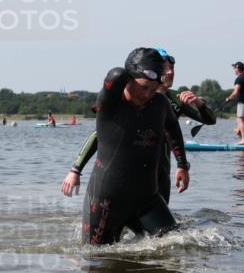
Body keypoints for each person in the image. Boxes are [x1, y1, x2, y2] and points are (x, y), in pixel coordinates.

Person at [62, 47, 209, 204]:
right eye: (166, 67)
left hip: (159, 170)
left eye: (172, 68)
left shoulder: (174, 101)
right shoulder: (125, 100)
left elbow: (206, 120)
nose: (170, 72)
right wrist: (76, 169)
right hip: (125, 170)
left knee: (163, 223)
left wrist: (200, 105)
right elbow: (99, 135)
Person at [72, 48, 188, 245]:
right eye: (143, 87)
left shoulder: (159, 103)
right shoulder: (111, 104)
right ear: (128, 79)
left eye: (153, 89)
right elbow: (114, 75)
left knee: (178, 246)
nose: (148, 94)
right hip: (106, 202)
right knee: (98, 261)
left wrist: (183, 165)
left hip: (147, 199)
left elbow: (173, 129)